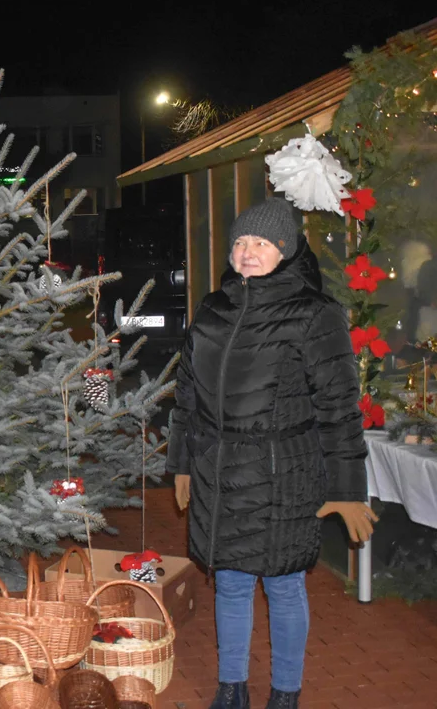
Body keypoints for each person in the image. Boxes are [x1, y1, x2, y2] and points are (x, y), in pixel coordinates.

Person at [167, 197, 377, 709]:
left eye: (261, 242)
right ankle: (231, 688)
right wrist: (181, 462)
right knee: (232, 585)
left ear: (284, 249)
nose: (248, 251)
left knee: (283, 589)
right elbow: (187, 392)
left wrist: (348, 489)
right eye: (240, 241)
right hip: (221, 471)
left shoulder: (315, 314)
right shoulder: (214, 309)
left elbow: (339, 407)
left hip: (283, 473)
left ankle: (285, 694)